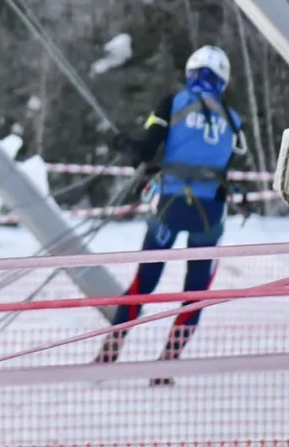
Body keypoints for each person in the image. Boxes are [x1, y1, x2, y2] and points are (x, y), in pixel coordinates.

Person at [96, 44, 246, 381]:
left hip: (169, 205)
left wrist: (121, 144)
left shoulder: (173, 103)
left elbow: (145, 151)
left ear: (191, 73)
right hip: (209, 214)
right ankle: (166, 364)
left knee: (143, 283)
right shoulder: (234, 121)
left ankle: (110, 351)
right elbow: (223, 164)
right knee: (194, 293)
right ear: (222, 81)